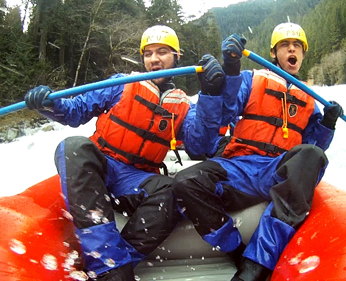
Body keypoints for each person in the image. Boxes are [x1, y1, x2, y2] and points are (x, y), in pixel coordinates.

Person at [24, 25, 242, 280]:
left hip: (136, 179)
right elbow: (75, 111)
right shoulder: (121, 84)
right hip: (102, 165)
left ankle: (115, 264)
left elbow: (199, 144)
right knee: (72, 146)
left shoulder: (183, 105)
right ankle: (110, 266)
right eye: (148, 53)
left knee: (173, 191)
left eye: (162, 52)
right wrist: (50, 103)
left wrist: (210, 96)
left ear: (177, 57)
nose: (154, 59)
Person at [172, 22, 344, 281]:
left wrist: (327, 124)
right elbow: (227, 112)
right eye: (285, 45)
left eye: (297, 46)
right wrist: (232, 72)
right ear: (274, 54)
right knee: (186, 182)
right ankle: (234, 248)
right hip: (240, 166)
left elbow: (312, 148)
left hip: (277, 171)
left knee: (312, 155)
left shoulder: (309, 98)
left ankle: (254, 267)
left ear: (303, 55)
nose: (292, 49)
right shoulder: (252, 79)